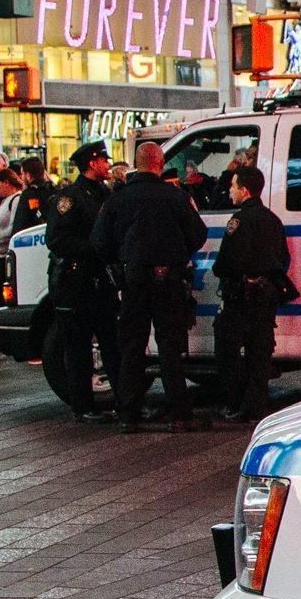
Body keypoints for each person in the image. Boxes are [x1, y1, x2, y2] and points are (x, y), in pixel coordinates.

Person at [93, 139, 206, 430]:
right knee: (170, 348)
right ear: (159, 164)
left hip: (133, 280)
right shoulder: (174, 196)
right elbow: (198, 234)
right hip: (168, 280)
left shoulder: (118, 199)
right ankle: (180, 415)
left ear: (137, 164)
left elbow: (99, 241)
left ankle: (128, 415)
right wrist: (177, 254)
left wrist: (122, 259)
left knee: (132, 347)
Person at [212, 161, 291, 426]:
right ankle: (256, 405)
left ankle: (232, 405)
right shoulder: (272, 219)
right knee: (260, 353)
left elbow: (227, 262)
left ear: (244, 190)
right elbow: (283, 257)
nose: (230, 191)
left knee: (229, 352)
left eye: (233, 186)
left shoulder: (238, 220)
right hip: (266, 294)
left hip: (240, 296)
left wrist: (219, 270)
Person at [42, 141, 118, 409]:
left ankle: (123, 402)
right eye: (104, 161)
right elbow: (57, 239)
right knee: (78, 347)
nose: (108, 165)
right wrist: (96, 248)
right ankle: (83, 406)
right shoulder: (69, 198)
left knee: (111, 342)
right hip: (76, 281)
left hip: (100, 280)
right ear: (92, 163)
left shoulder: (104, 193)